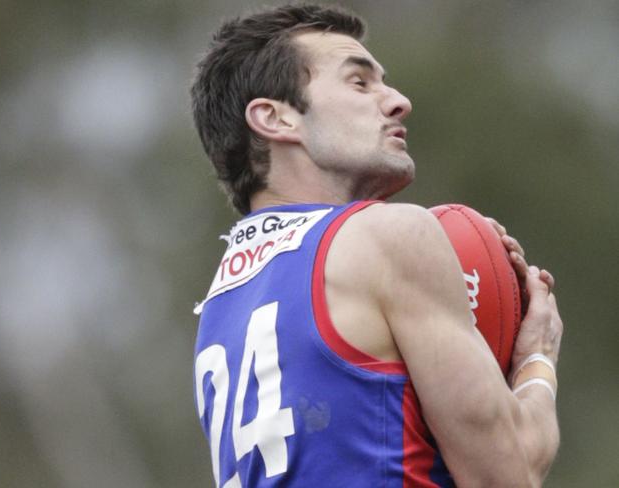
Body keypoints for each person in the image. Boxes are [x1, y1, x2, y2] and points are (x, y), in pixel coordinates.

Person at [191, 4, 563, 487]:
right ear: (276, 118)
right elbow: (509, 474)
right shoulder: (390, 237)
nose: (398, 101)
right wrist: (537, 358)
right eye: (359, 83)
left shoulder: (220, 308)